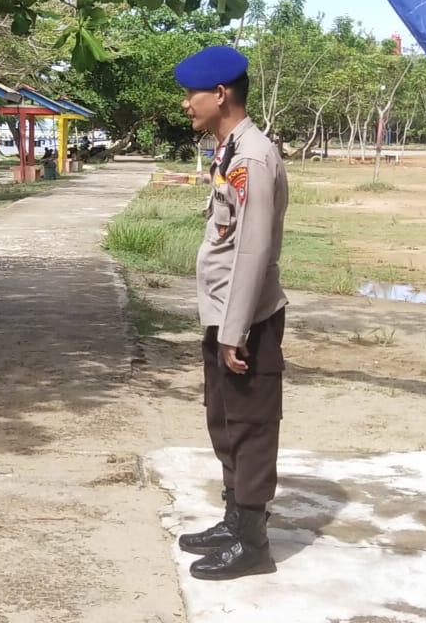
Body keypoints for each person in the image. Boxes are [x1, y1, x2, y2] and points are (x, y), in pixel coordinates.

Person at [173, 44, 288, 581]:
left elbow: (254, 249)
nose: (186, 106)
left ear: (220, 95)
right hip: (224, 316)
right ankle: (232, 518)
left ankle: (253, 544)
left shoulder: (252, 158)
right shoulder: (228, 150)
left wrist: (235, 330)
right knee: (224, 419)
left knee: (250, 425)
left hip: (246, 321)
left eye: (191, 95)